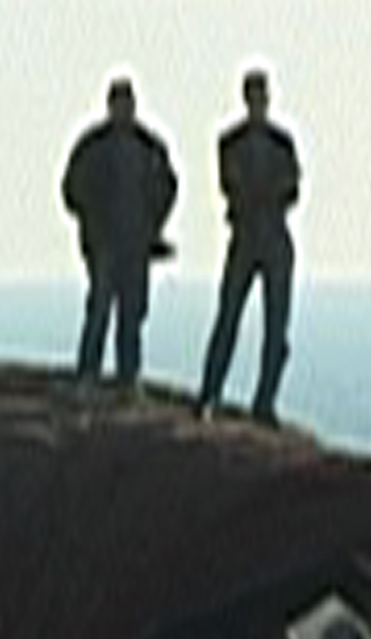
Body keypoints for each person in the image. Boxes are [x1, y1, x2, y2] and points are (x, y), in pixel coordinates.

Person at [196, 66, 301, 424]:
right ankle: (210, 394)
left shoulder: (281, 143)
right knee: (228, 319)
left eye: (262, 96)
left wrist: (261, 195)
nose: (258, 102)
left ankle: (265, 402)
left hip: (273, 239)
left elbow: (292, 188)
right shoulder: (230, 142)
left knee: (277, 329)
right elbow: (231, 184)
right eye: (253, 95)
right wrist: (261, 195)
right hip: (244, 238)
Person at [60, 74, 179, 390]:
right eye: (118, 103)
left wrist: (154, 226)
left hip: (137, 244)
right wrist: (92, 222)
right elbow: (71, 191)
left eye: (127, 104)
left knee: (132, 313)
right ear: (109, 106)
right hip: (104, 245)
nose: (123, 110)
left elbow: (168, 188)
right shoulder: (91, 146)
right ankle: (89, 374)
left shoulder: (150, 147)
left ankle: (128, 377)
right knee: (99, 309)